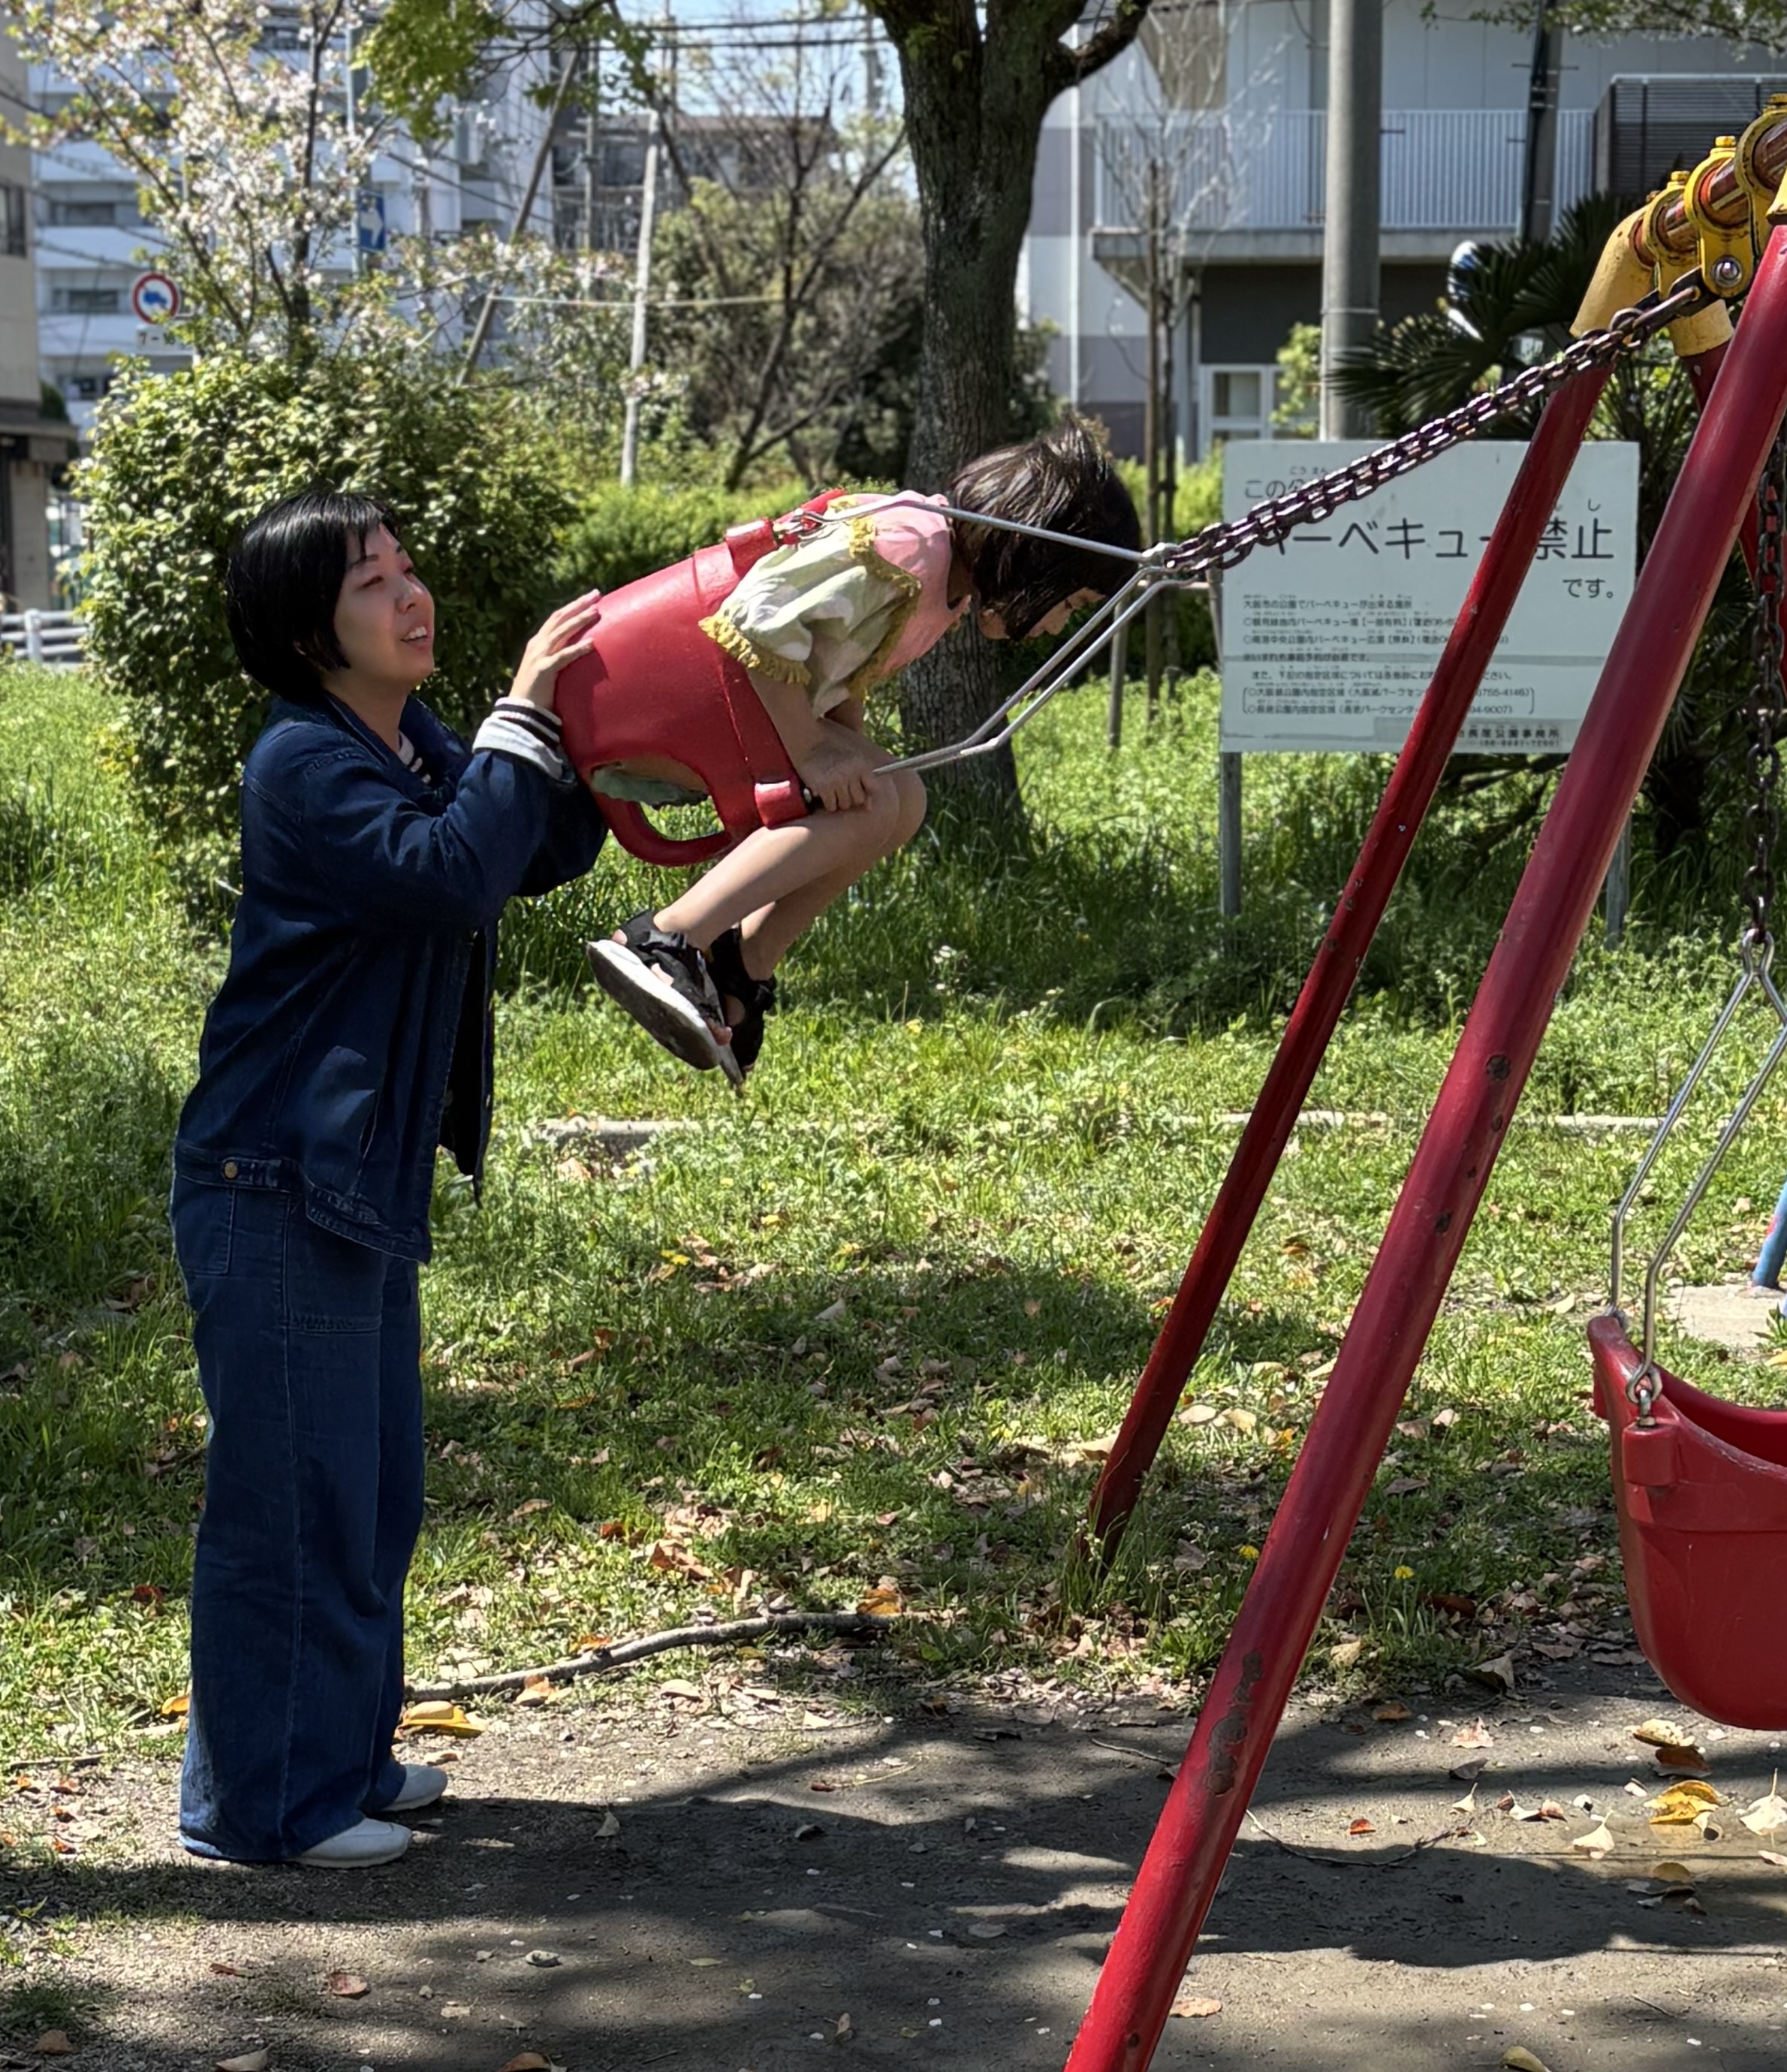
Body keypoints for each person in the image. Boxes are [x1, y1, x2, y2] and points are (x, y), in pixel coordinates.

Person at [169, 493, 610, 1871]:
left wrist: (586, 726)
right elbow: (449, 874)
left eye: (407, 570)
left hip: (341, 1175)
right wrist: (521, 727)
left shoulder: (405, 737)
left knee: (366, 1493)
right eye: (374, 583)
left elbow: (539, 846)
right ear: (312, 632)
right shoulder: (305, 761)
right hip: (274, 1172)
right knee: (290, 1501)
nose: (410, 597)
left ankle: (340, 1761)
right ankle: (266, 1812)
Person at [574, 422, 1141, 1082]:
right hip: (672, 693)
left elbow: (842, 667)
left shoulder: (939, 584)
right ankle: (665, 937)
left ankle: (740, 962)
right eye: (1068, 601)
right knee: (875, 802)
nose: (1055, 625)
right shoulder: (907, 544)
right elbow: (755, 616)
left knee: (902, 799)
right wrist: (816, 753)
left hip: (740, 696)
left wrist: (847, 751)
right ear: (1035, 555)